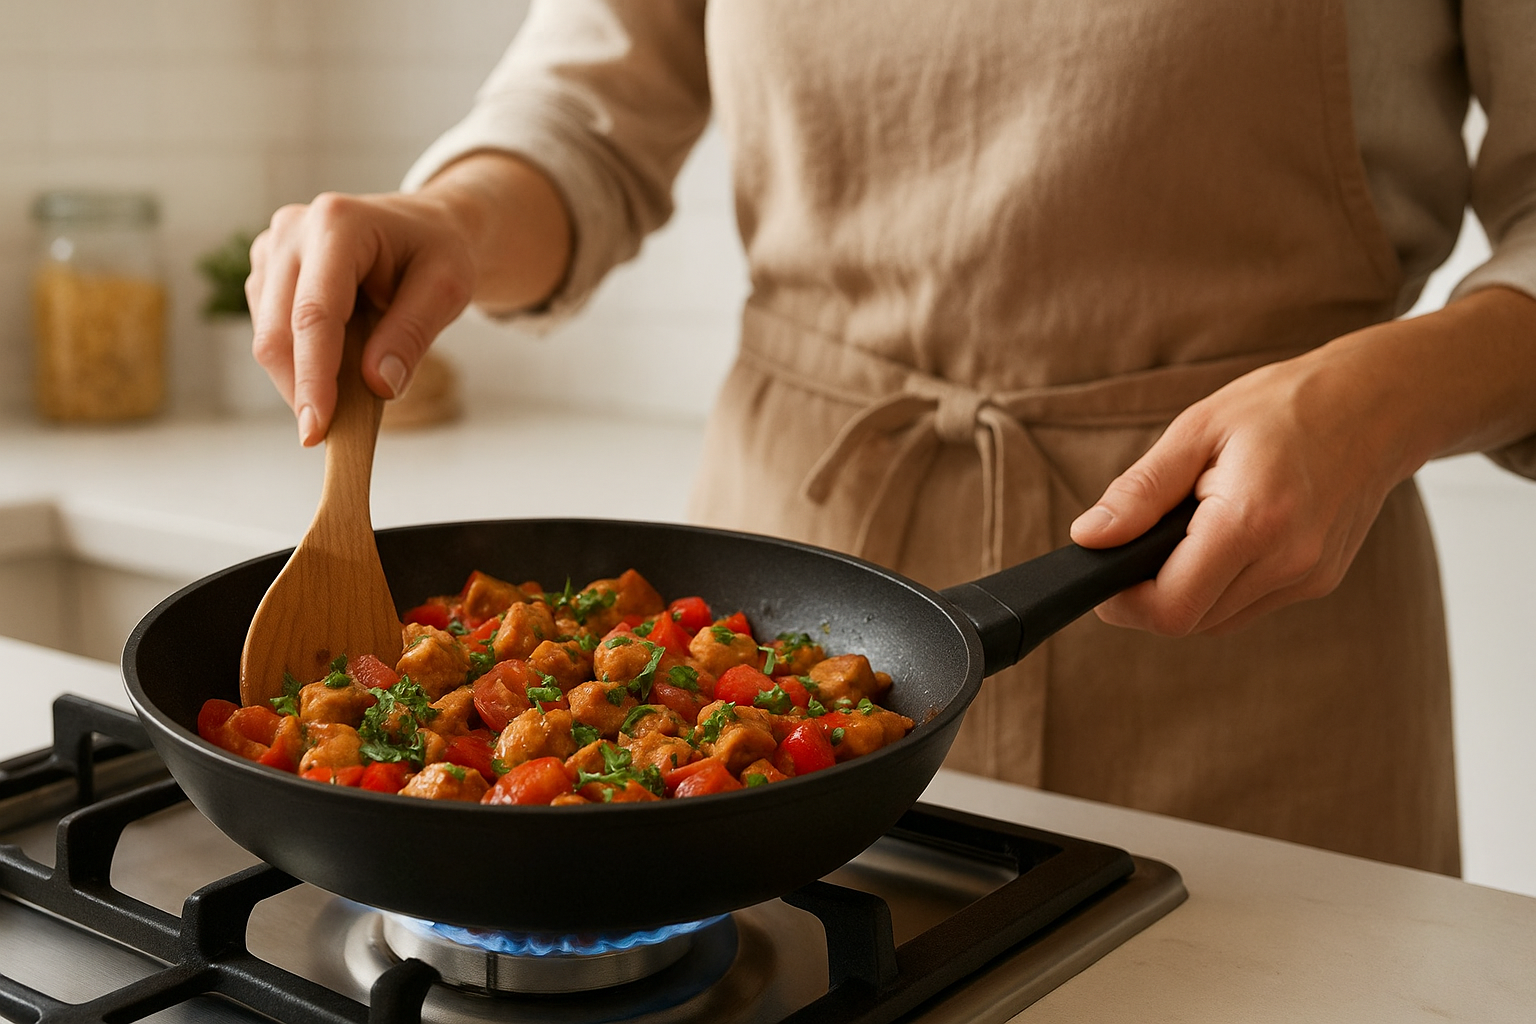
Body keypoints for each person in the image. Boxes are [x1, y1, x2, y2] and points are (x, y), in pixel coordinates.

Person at [246, 0, 1536, 874]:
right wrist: (452, 218)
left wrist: (1373, 399)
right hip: (790, 585)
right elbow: (582, 114)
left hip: (1249, 592)